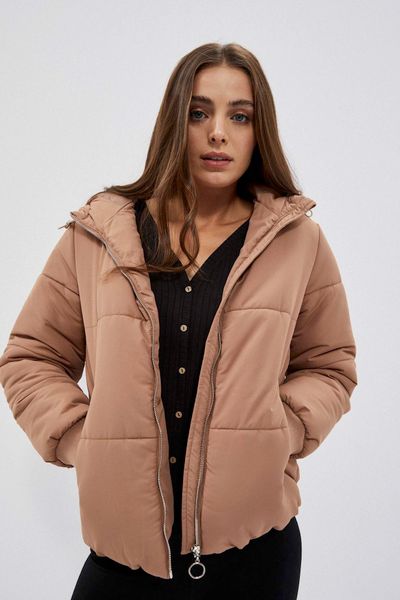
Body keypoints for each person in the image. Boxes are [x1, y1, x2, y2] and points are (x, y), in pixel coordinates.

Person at [0, 42, 358, 600]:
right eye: (198, 113)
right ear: (174, 122)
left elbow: (329, 364)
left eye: (239, 116)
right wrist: (79, 438)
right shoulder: (99, 234)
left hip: (256, 558)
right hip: (123, 561)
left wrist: (280, 431)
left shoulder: (296, 241)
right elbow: (32, 356)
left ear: (259, 130)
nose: (218, 133)